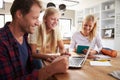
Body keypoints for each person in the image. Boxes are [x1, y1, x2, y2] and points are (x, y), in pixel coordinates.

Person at [0, 0, 69, 80]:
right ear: (19, 14)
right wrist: (50, 69)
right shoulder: (2, 42)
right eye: (34, 18)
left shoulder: (24, 37)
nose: (38, 23)